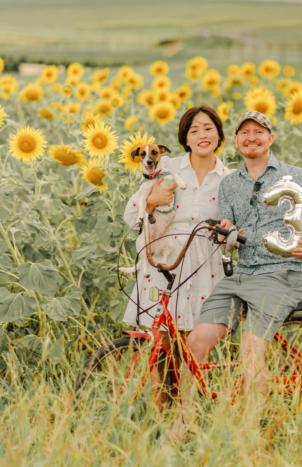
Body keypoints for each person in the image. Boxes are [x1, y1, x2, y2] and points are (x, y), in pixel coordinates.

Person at [169, 110, 302, 440]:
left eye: (259, 132)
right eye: (244, 133)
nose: (252, 137)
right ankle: (183, 424)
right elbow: (228, 236)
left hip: (284, 273)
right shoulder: (229, 184)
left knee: (250, 349)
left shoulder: (297, 177)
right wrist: (224, 232)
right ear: (238, 141)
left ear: (270, 139)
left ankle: (249, 435)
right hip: (242, 276)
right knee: (195, 343)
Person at [122, 106, 231, 407]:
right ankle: (161, 411)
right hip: (167, 259)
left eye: (208, 128)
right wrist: (151, 203)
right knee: (161, 342)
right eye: (194, 130)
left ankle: (188, 414)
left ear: (219, 134)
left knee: (193, 343)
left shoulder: (229, 178)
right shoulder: (167, 167)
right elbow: (131, 217)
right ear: (185, 138)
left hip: (204, 263)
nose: (202, 135)